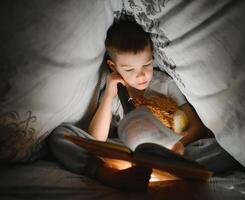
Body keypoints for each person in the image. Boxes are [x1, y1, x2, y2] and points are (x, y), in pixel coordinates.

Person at [48, 14, 214, 192]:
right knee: (61, 135)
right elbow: (97, 139)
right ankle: (107, 174)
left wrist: (177, 147)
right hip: (129, 154)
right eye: (129, 69)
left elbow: (197, 127)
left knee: (220, 148)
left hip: (173, 151)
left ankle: (171, 169)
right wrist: (109, 94)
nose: (141, 75)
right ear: (113, 67)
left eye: (147, 65)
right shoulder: (115, 93)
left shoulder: (165, 84)